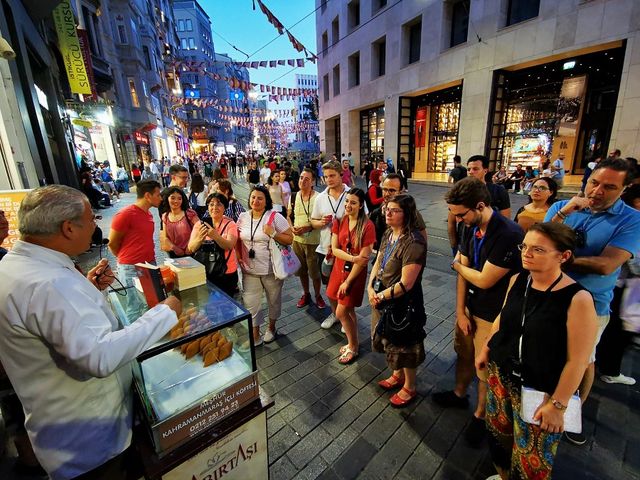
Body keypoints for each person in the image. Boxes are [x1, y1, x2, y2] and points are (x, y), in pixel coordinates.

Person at [0, 185, 181, 479]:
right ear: (68, 228)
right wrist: (165, 313)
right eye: (91, 219)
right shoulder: (48, 283)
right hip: (90, 445)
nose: (97, 225)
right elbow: (99, 356)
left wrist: (87, 287)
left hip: (60, 431)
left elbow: (55, 318)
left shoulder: (17, 265)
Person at [476, 222, 597, 480]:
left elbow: (578, 361)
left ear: (563, 256)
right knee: (499, 436)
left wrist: (558, 404)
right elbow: (502, 318)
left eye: (538, 249)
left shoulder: (578, 299)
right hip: (502, 375)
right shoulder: (519, 279)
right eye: (525, 246)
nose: (526, 253)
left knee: (532, 459)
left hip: (541, 389)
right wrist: (486, 348)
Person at [545, 157, 640, 444]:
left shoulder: (631, 219)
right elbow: (538, 240)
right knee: (547, 355)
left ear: (624, 189)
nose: (598, 191)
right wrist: (563, 213)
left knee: (583, 361)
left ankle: (571, 416)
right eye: (594, 183)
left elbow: (606, 265)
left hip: (590, 305)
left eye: (609, 187)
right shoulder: (565, 207)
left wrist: (559, 259)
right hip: (547, 297)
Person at [435, 177, 524, 447]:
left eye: (461, 214)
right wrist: (460, 310)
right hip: (471, 308)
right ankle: (459, 393)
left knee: (484, 367)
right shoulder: (468, 226)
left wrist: (458, 267)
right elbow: (462, 270)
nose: (458, 220)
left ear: (481, 205)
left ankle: (481, 415)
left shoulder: (508, 233)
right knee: (464, 353)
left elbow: (485, 279)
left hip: (493, 312)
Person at [368, 194, 428, 407]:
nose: (388, 213)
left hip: (404, 302)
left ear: (407, 214)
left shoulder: (413, 242)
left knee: (405, 344)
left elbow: (406, 284)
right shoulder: (387, 233)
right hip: (384, 296)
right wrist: (370, 284)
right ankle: (397, 374)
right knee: (389, 339)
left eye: (394, 210)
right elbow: (378, 260)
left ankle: (409, 387)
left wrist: (379, 295)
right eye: (387, 209)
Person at [236, 186, 294, 345]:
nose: (255, 201)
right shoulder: (242, 217)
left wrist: (273, 233)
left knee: (273, 301)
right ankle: (255, 335)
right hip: (249, 271)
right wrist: (239, 257)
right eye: (253, 197)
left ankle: (271, 327)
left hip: (271, 270)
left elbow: (290, 239)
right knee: (251, 303)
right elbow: (237, 240)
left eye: (260, 198)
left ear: (266, 201)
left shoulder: (274, 217)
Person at [596, 184, 640, 385]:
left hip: (623, 286)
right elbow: (633, 264)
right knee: (618, 331)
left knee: (617, 330)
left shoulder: (626, 220)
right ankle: (610, 370)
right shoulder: (631, 222)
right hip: (623, 286)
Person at [326, 188, 375, 364]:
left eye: (353, 202)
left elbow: (363, 261)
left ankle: (353, 347)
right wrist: (353, 257)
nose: (348, 205)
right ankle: (351, 342)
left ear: (361, 205)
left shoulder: (368, 226)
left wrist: (348, 281)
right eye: (347, 201)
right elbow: (335, 249)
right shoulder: (340, 220)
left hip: (354, 275)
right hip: (339, 269)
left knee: (341, 312)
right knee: (348, 309)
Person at [109, 180, 163, 318]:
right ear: (147, 195)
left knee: (151, 302)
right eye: (158, 194)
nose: (161, 198)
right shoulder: (125, 214)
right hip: (131, 268)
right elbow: (112, 243)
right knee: (134, 306)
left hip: (149, 264)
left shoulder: (149, 214)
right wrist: (126, 261)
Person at [311, 161, 350, 329]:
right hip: (325, 249)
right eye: (325, 176)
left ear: (341, 174)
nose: (328, 179)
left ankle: (346, 316)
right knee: (329, 286)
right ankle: (336, 313)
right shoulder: (320, 198)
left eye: (332, 175)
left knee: (346, 286)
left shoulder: (352, 195)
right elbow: (313, 221)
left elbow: (364, 219)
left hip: (346, 251)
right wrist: (321, 223)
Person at [447, 155, 511, 255]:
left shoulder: (498, 191)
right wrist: (454, 245)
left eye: (475, 169)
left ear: (485, 170)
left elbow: (505, 220)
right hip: (464, 242)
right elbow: (452, 220)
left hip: (488, 242)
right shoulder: (461, 190)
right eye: (469, 169)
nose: (471, 172)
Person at [188, 193, 239, 296]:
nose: (214, 207)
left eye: (219, 204)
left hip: (227, 272)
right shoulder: (199, 225)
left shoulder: (230, 224)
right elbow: (191, 248)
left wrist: (215, 236)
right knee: (208, 304)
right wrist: (200, 238)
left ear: (224, 207)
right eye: (211, 204)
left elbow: (229, 245)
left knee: (227, 305)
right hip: (205, 271)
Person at [289, 168, 326, 309]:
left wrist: (307, 227)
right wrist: (291, 227)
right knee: (301, 271)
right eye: (301, 177)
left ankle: (318, 295)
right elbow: (289, 215)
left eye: (307, 179)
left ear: (313, 182)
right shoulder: (294, 196)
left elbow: (322, 220)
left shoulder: (318, 198)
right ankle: (306, 294)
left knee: (314, 273)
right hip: (297, 241)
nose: (302, 181)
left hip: (314, 242)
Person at [369, 174, 428, 251]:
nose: (387, 194)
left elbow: (422, 235)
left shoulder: (410, 212)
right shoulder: (377, 212)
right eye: (385, 189)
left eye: (392, 190)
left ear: (400, 192)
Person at [160, 186, 199, 258]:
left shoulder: (190, 213)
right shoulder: (165, 216)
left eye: (179, 198)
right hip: (174, 254)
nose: (176, 201)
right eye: (172, 198)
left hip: (192, 253)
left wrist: (190, 247)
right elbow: (165, 237)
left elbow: (200, 231)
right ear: (167, 199)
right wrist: (175, 248)